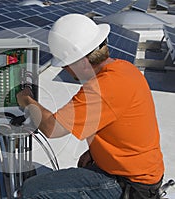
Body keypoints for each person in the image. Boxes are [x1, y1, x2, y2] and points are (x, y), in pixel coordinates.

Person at [16, 14, 164, 199]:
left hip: (130, 184)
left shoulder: (102, 88)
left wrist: (27, 100)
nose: (66, 71)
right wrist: (95, 153)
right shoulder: (124, 69)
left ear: (81, 61)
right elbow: (119, 126)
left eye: (66, 65)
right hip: (142, 174)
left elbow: (51, 128)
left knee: (32, 190)